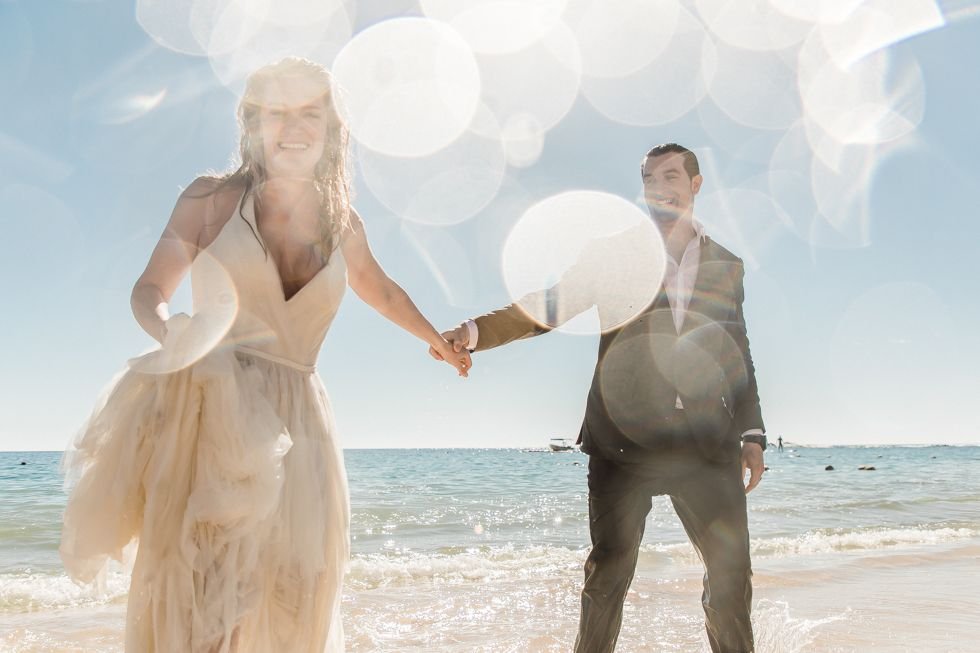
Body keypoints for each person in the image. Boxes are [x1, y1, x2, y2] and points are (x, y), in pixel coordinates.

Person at [59, 57, 470, 653]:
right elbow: (149, 291)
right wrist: (169, 329)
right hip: (215, 408)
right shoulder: (209, 200)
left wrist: (439, 341)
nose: (295, 127)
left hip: (301, 420)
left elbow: (380, 290)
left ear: (331, 130)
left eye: (310, 113)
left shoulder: (342, 221)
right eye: (278, 112)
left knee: (298, 593)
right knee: (208, 600)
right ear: (252, 123)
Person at [433, 143, 766, 653]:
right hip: (624, 444)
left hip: (706, 446)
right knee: (608, 573)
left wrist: (752, 433)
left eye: (672, 176)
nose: (661, 187)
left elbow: (736, 350)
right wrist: (475, 332)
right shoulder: (615, 253)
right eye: (651, 179)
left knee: (731, 577)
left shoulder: (726, 264)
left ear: (695, 185)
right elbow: (551, 306)